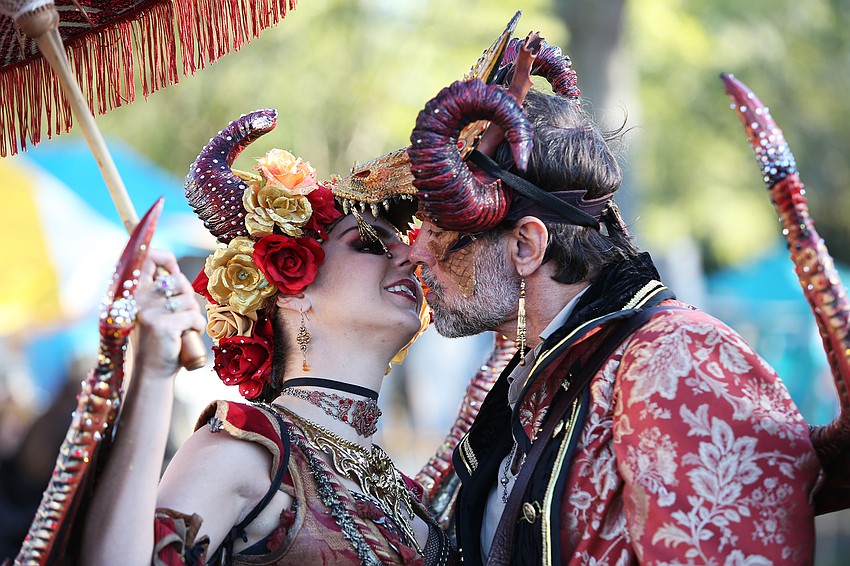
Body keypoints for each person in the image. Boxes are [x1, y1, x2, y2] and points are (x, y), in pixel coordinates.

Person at [405, 30, 823, 565]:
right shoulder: (537, 373)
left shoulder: (679, 358)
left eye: (442, 236)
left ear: (527, 246)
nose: (416, 255)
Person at [79, 109, 454, 565]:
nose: (410, 259)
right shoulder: (247, 453)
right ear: (292, 291)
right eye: (369, 244)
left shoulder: (400, 489)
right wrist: (153, 374)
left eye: (407, 246)